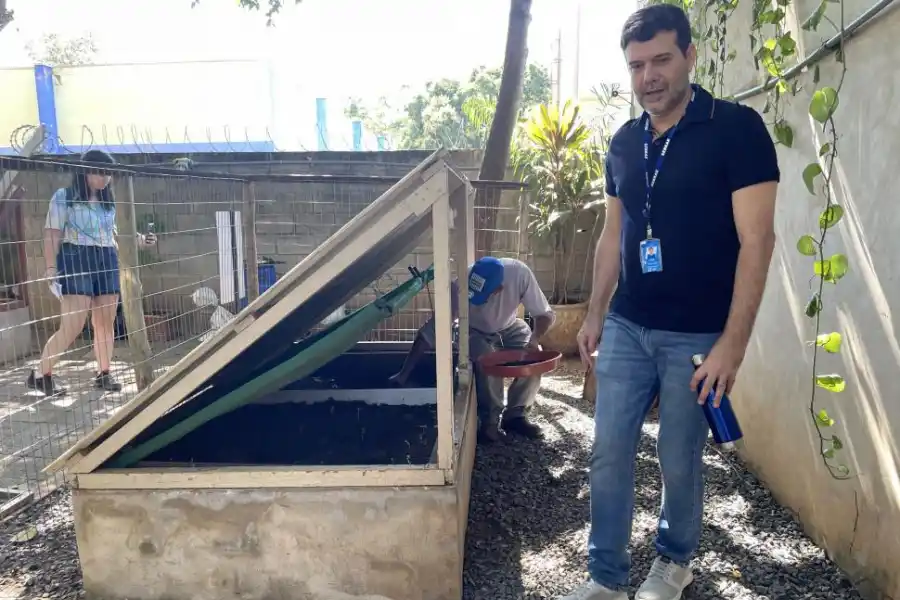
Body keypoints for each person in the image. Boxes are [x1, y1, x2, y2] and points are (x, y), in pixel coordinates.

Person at [561, 5, 779, 600]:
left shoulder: (736, 129)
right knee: (607, 451)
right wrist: (596, 311)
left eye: (660, 60)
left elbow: (758, 241)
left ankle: (674, 561)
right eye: (636, 65)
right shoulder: (624, 142)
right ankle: (605, 577)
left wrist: (731, 346)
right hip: (629, 323)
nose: (648, 76)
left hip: (696, 336)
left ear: (689, 55)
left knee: (678, 458)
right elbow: (615, 233)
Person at [27, 149, 157, 397]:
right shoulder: (64, 197)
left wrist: (142, 240)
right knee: (73, 325)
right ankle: (40, 375)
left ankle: (104, 374)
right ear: (86, 171)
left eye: (109, 173)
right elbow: (52, 233)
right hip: (76, 257)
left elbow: (115, 233)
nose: (105, 177)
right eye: (100, 172)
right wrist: (51, 268)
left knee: (104, 322)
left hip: (106, 257)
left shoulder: (109, 202)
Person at [389, 256, 556, 442]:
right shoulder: (459, 285)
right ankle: (490, 421)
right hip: (472, 329)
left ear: (499, 290)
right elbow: (432, 329)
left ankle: (516, 415)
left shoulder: (520, 273)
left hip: (510, 327)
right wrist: (404, 373)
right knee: (486, 358)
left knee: (534, 356)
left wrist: (534, 339)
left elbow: (544, 314)